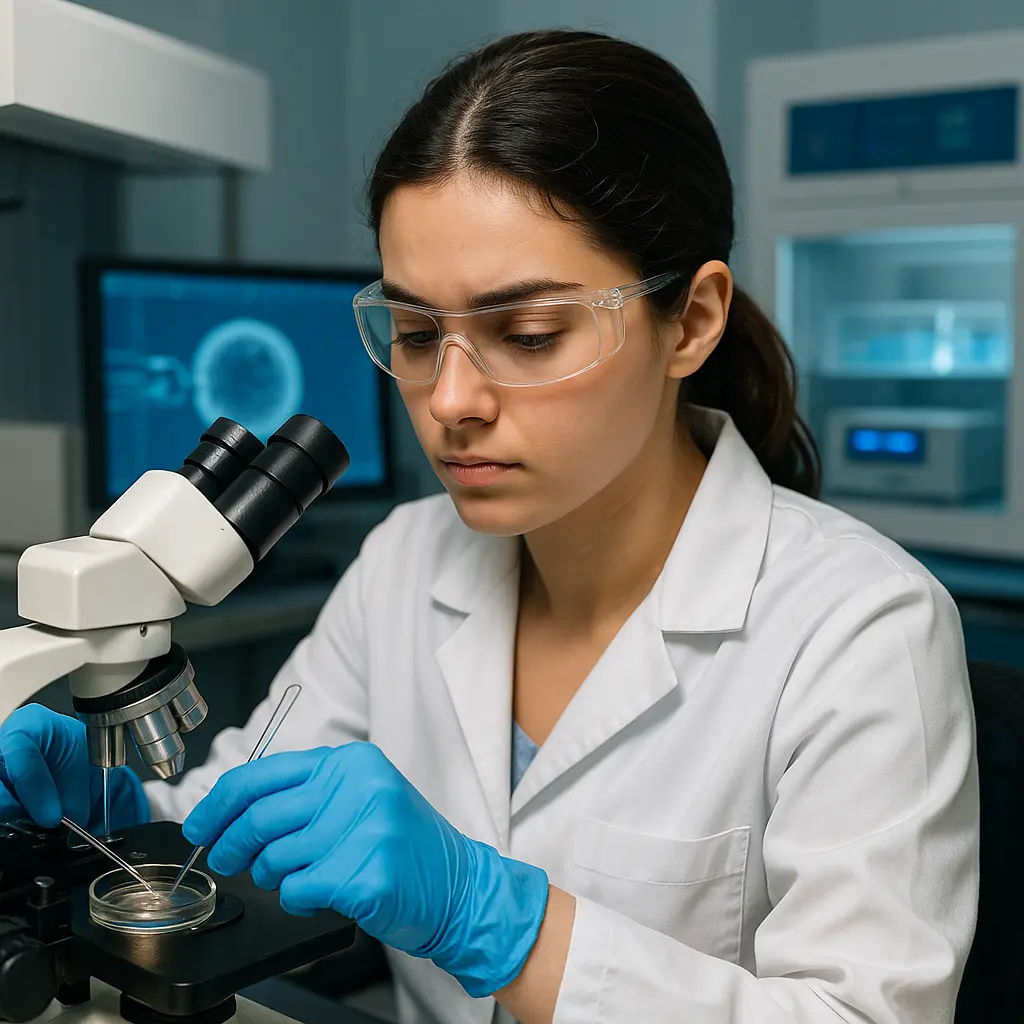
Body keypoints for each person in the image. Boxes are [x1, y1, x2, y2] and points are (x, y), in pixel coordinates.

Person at [0, 29, 978, 1024]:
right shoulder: (402, 562)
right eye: (418, 334)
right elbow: (229, 830)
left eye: (527, 333)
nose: (452, 399)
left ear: (689, 321)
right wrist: (107, 818)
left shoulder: (862, 627)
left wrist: (496, 917)